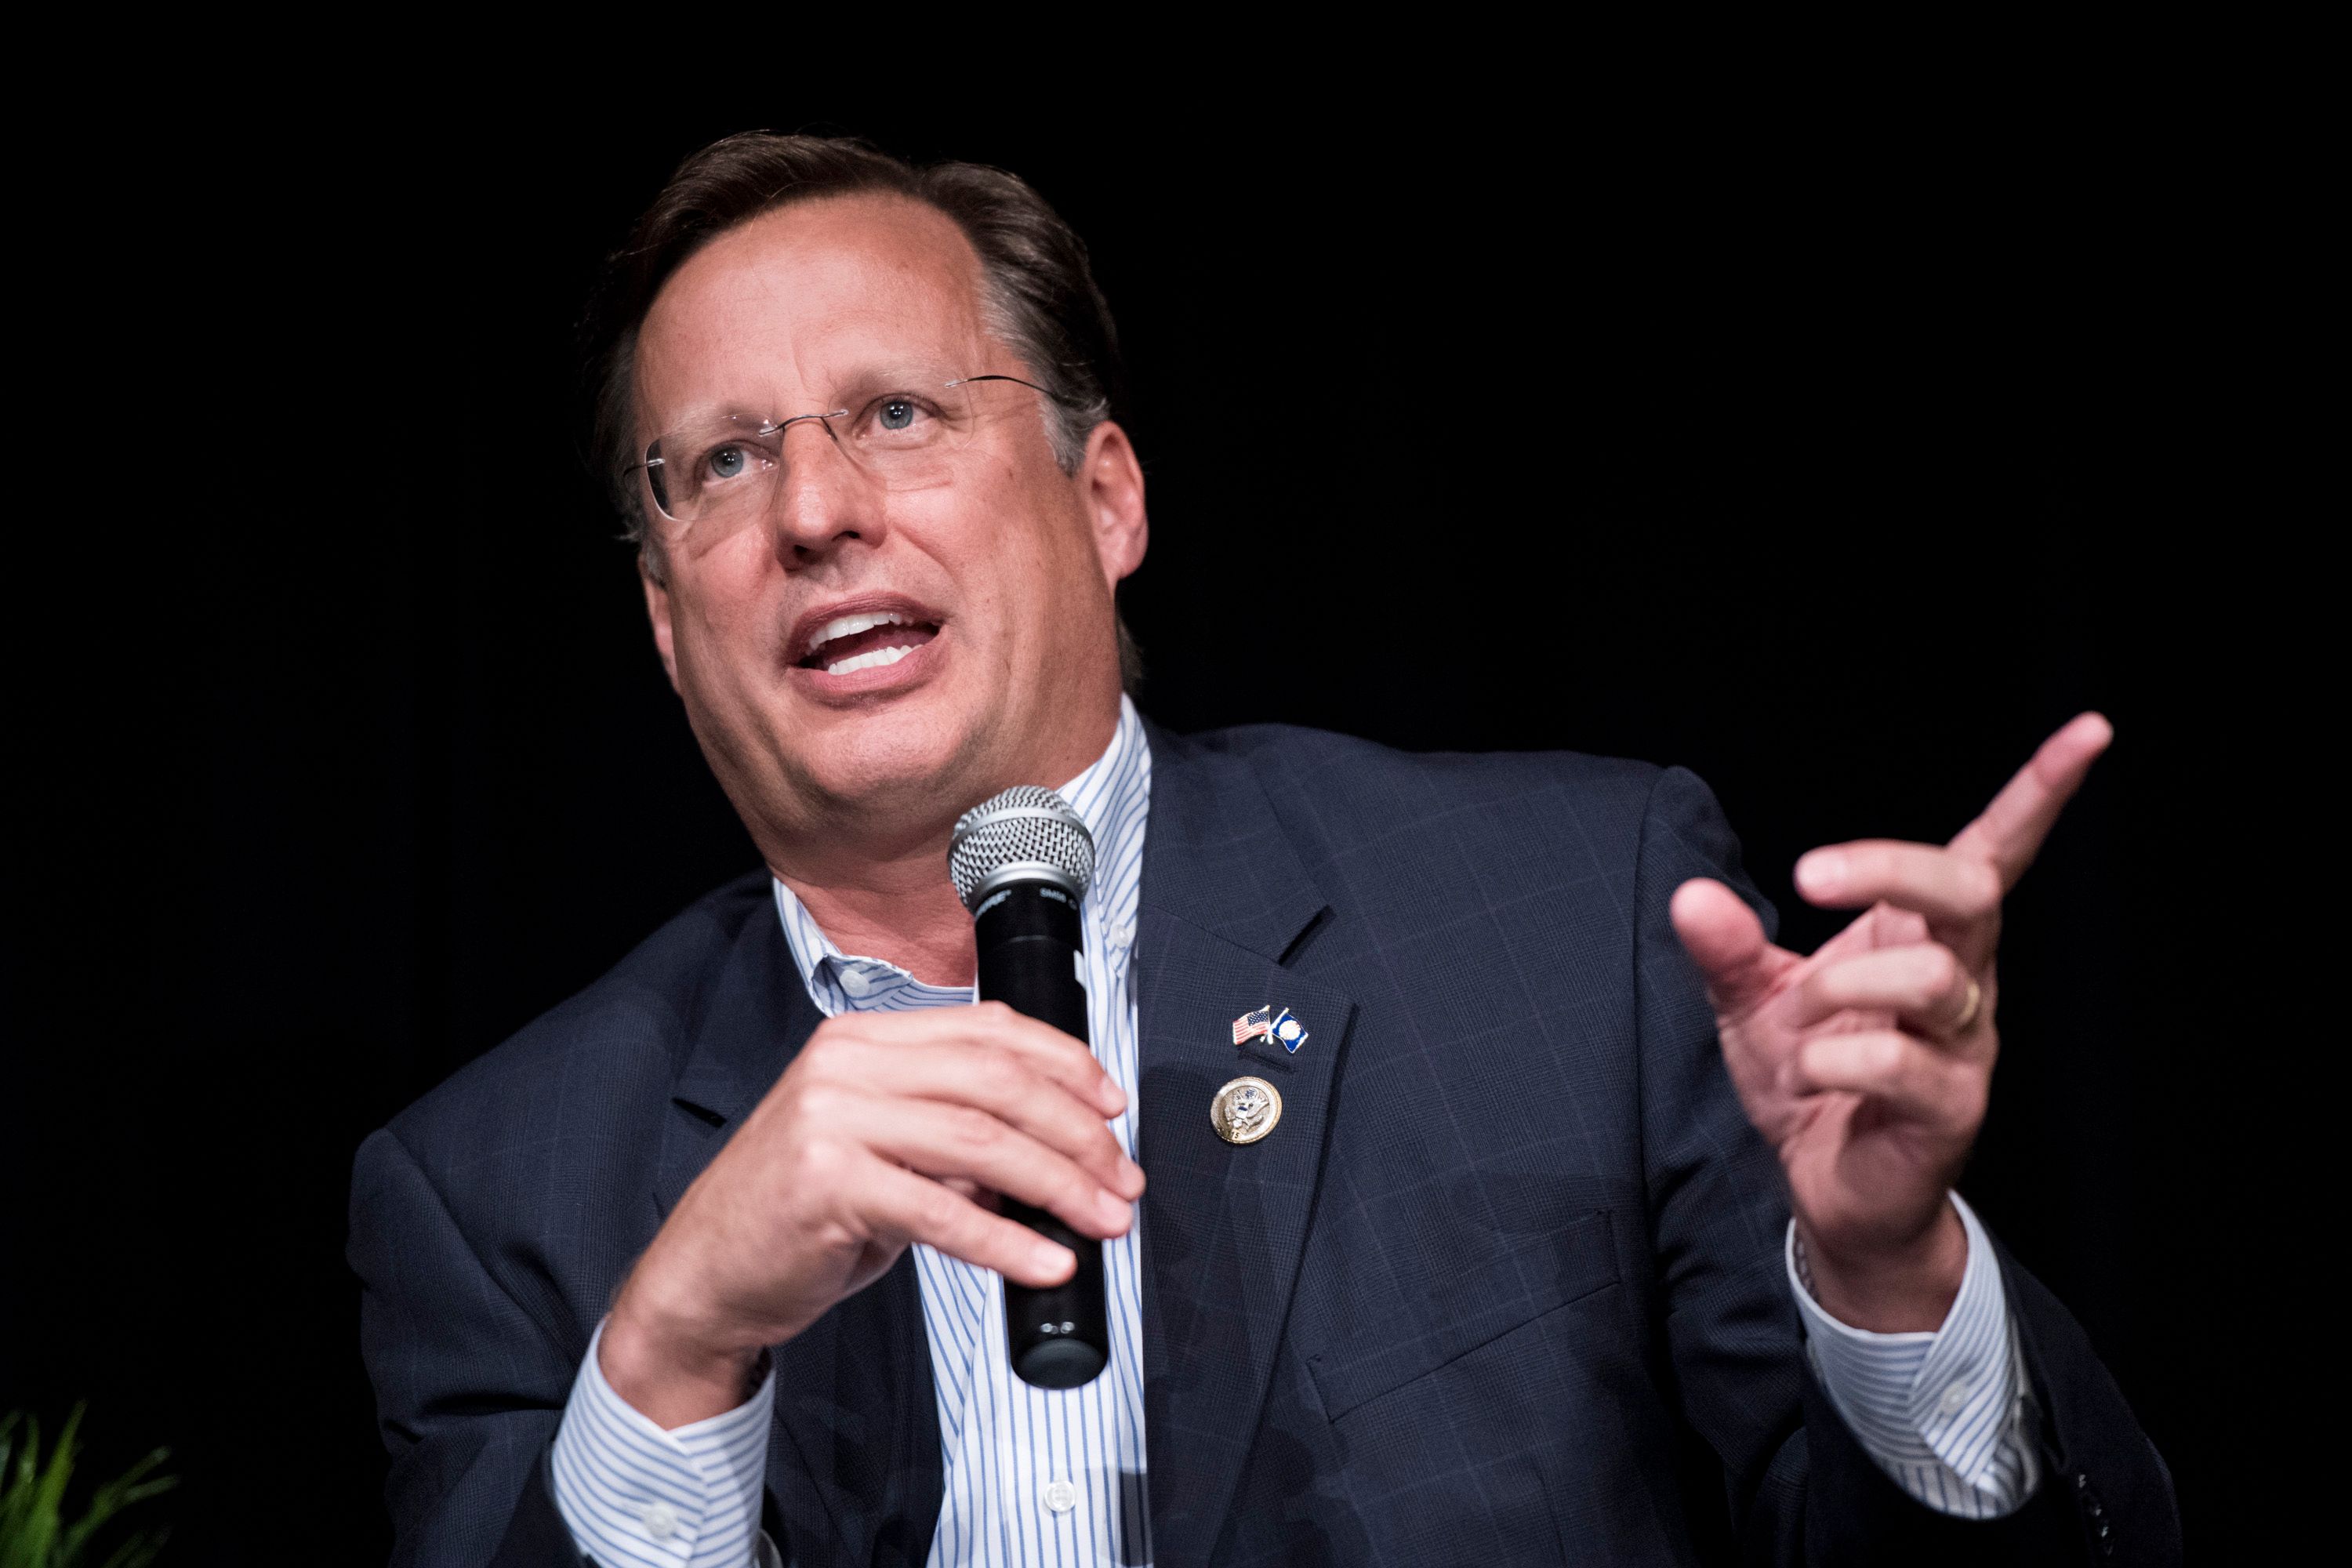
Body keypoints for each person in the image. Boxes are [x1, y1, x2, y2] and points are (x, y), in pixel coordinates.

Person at [348, 132, 2180, 1567]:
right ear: (670, 627)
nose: (817, 509)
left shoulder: (1564, 924)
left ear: (1108, 496)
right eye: (723, 465)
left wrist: (1889, 1283)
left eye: (897, 414)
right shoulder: (497, 1188)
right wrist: (669, 1358)